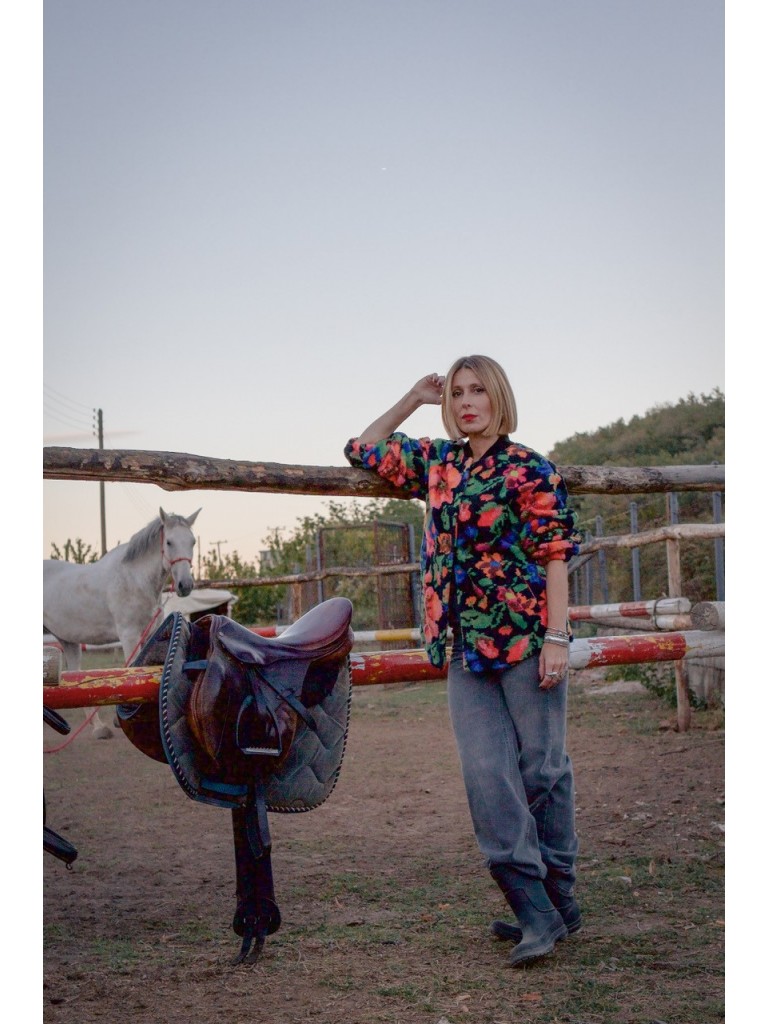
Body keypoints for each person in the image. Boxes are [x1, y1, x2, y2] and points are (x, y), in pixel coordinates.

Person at [344, 354, 582, 967]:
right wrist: (411, 398)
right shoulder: (439, 463)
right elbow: (362, 448)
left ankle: (560, 899)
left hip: (526, 640)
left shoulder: (530, 469)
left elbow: (555, 555)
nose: (466, 401)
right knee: (485, 776)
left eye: (477, 390)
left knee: (543, 770)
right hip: (460, 647)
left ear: (499, 396)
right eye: (456, 393)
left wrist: (557, 639)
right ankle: (531, 907)